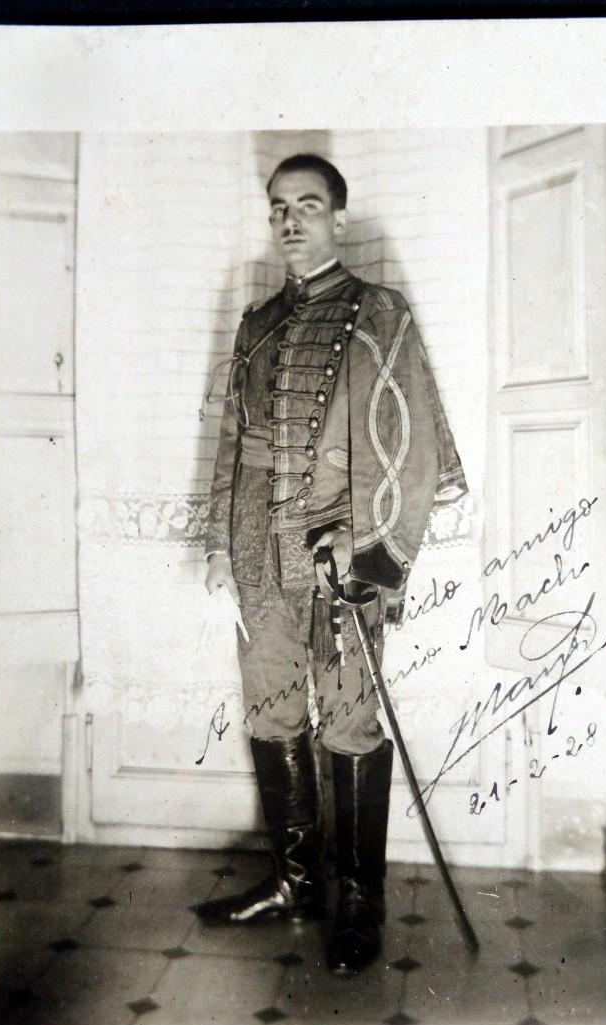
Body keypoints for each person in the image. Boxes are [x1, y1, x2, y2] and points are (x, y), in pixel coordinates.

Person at [192, 153, 467, 974]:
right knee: (272, 715)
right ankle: (295, 883)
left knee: (349, 722)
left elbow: (414, 447)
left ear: (338, 219)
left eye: (308, 205)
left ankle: (359, 900)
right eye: (278, 206)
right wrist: (216, 542)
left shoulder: (381, 313)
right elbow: (232, 445)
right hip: (257, 558)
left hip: (339, 559)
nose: (290, 219)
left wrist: (363, 543)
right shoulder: (256, 323)